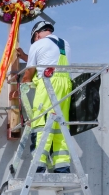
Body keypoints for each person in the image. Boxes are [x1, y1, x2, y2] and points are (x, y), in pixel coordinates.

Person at [15, 20, 73, 173]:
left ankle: (38, 166)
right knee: (60, 125)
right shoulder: (64, 44)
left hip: (48, 84)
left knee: (42, 122)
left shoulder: (37, 44)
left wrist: (21, 87)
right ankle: (62, 167)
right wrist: (25, 56)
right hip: (66, 85)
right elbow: (46, 59)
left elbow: (30, 71)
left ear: (36, 34)